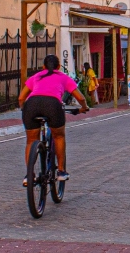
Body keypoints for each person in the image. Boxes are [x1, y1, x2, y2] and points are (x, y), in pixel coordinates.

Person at [19, 54, 89, 187]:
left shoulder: (36, 76)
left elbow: (21, 98)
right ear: (58, 67)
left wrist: (24, 109)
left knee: (31, 141)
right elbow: (80, 97)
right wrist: (84, 108)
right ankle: (61, 171)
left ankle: (29, 176)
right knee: (58, 136)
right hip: (53, 105)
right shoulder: (64, 77)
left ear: (43, 67)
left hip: (31, 105)